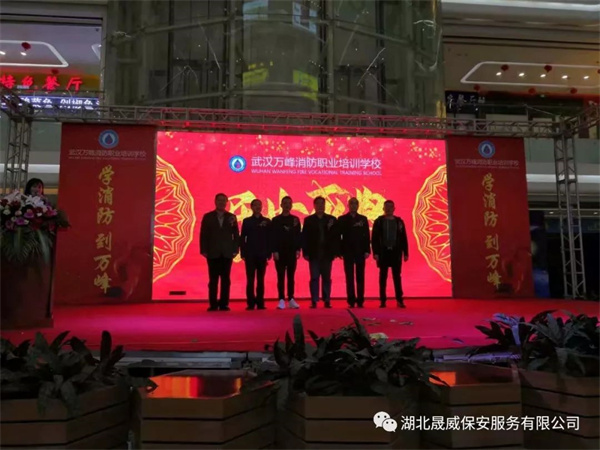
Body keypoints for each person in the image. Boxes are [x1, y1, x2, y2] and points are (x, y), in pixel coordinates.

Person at [200, 193, 240, 311]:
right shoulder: (208, 217)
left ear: (226, 202)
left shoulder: (231, 217)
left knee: (226, 280)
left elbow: (236, 235)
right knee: (213, 280)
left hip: (227, 252)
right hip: (212, 252)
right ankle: (213, 304)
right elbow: (203, 235)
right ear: (215, 201)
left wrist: (235, 249)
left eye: (223, 200)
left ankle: (224, 304)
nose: (221, 202)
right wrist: (203, 250)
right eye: (219, 200)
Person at [302, 196, 339, 308]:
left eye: (322, 203)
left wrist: (335, 251)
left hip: (327, 254)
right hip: (314, 253)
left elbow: (336, 237)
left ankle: (327, 299)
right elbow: (305, 237)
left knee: (326, 278)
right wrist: (305, 252)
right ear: (314, 206)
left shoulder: (331, 219)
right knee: (314, 277)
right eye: (317, 203)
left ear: (325, 205)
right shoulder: (309, 220)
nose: (320, 206)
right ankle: (314, 300)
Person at [372, 200, 409, 308]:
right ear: (383, 208)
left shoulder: (399, 222)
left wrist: (406, 252)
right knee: (383, 276)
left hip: (396, 252)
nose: (388, 209)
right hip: (383, 252)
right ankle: (383, 300)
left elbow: (404, 237)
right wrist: (376, 252)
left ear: (394, 209)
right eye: (386, 207)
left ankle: (399, 299)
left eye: (391, 207)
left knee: (397, 276)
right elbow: (374, 238)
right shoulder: (379, 221)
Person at [338, 197, 370, 308]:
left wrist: (367, 250)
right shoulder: (342, 219)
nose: (353, 206)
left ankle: (360, 300)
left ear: (358, 206)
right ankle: (351, 300)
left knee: (360, 276)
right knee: (349, 277)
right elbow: (339, 236)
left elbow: (367, 236)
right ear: (348, 206)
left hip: (360, 251)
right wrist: (340, 250)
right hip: (347, 251)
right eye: (351, 204)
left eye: (355, 204)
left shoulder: (363, 219)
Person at [240, 199, 272, 310]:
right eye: (255, 205)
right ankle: (250, 303)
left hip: (262, 254)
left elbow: (270, 238)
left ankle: (260, 302)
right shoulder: (247, 221)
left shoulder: (267, 221)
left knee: (260, 279)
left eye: (259, 205)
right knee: (250, 280)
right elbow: (243, 238)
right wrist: (243, 253)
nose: (258, 207)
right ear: (251, 207)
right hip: (250, 254)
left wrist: (269, 253)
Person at [272, 196, 301, 310]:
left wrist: (298, 249)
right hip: (279, 253)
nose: (287, 205)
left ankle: (291, 299)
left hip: (291, 252)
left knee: (291, 276)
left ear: (292, 205)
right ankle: (281, 299)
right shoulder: (276, 220)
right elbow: (273, 237)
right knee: (280, 276)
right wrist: (274, 250)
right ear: (281, 205)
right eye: (285, 203)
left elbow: (298, 235)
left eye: (289, 203)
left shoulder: (295, 220)